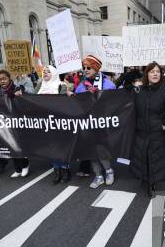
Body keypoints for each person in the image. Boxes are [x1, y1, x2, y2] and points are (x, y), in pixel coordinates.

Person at [128, 61, 165, 195]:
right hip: (141, 131)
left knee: (155, 158)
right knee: (142, 157)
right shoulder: (138, 91)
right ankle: (145, 179)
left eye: (158, 71)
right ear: (147, 74)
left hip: (158, 131)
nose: (155, 74)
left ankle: (152, 182)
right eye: (152, 71)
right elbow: (126, 103)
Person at [76, 55, 117, 188]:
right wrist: (71, 96)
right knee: (91, 150)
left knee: (101, 149)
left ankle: (109, 171)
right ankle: (98, 175)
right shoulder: (81, 85)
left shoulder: (108, 84)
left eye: (89, 67)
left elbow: (114, 103)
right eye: (84, 67)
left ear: (96, 68)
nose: (86, 70)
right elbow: (76, 102)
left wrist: (99, 94)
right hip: (87, 123)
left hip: (102, 122)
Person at [36, 65, 74, 183]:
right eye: (44, 72)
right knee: (51, 146)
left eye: (48, 72)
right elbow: (31, 99)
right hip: (44, 121)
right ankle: (56, 170)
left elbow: (63, 102)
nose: (45, 73)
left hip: (58, 121)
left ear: (54, 73)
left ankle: (65, 169)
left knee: (61, 146)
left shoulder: (61, 85)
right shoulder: (39, 86)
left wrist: (68, 95)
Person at [0, 69, 30, 178]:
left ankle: (25, 165)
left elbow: (24, 96)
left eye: (4, 78)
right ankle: (17, 169)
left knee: (18, 144)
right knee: (10, 145)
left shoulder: (16, 88)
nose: (2, 81)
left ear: (9, 78)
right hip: (4, 121)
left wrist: (18, 94)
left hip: (17, 121)